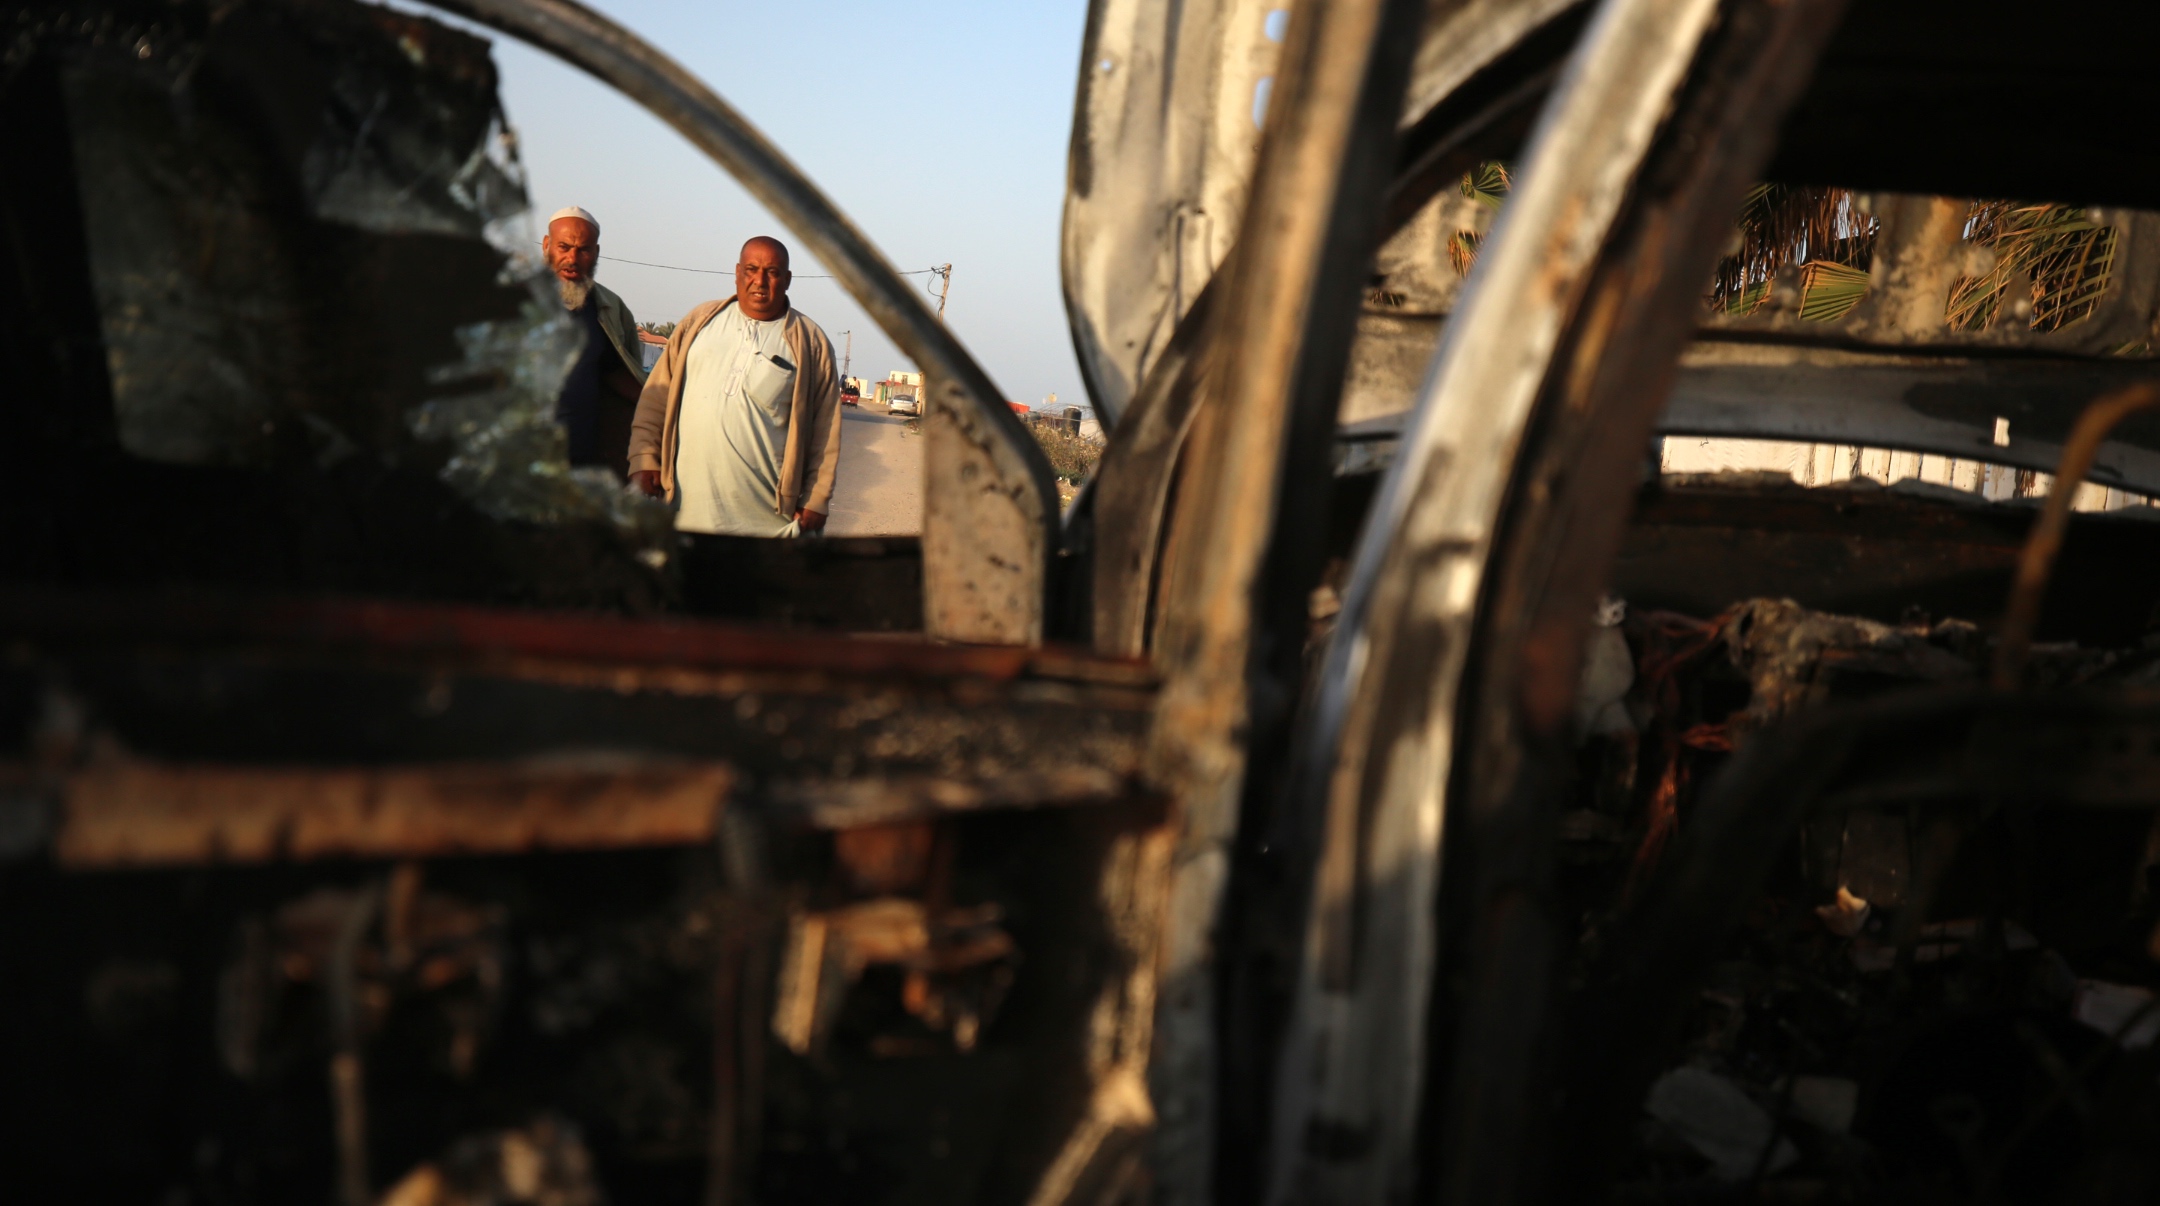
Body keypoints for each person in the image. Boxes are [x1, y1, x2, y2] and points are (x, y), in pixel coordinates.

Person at [628, 236, 841, 536]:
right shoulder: (700, 322)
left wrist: (817, 499)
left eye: (773, 272)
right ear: (738, 273)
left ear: (788, 279)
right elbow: (656, 396)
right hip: (684, 514)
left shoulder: (810, 342)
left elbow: (826, 430)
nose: (760, 281)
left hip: (767, 525)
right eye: (752, 269)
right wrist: (643, 457)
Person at [543, 206, 647, 476]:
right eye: (564, 247)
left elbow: (615, 371)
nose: (572, 258)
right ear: (546, 246)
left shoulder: (607, 309)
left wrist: (664, 408)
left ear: (596, 254)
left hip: (579, 459)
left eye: (583, 250)